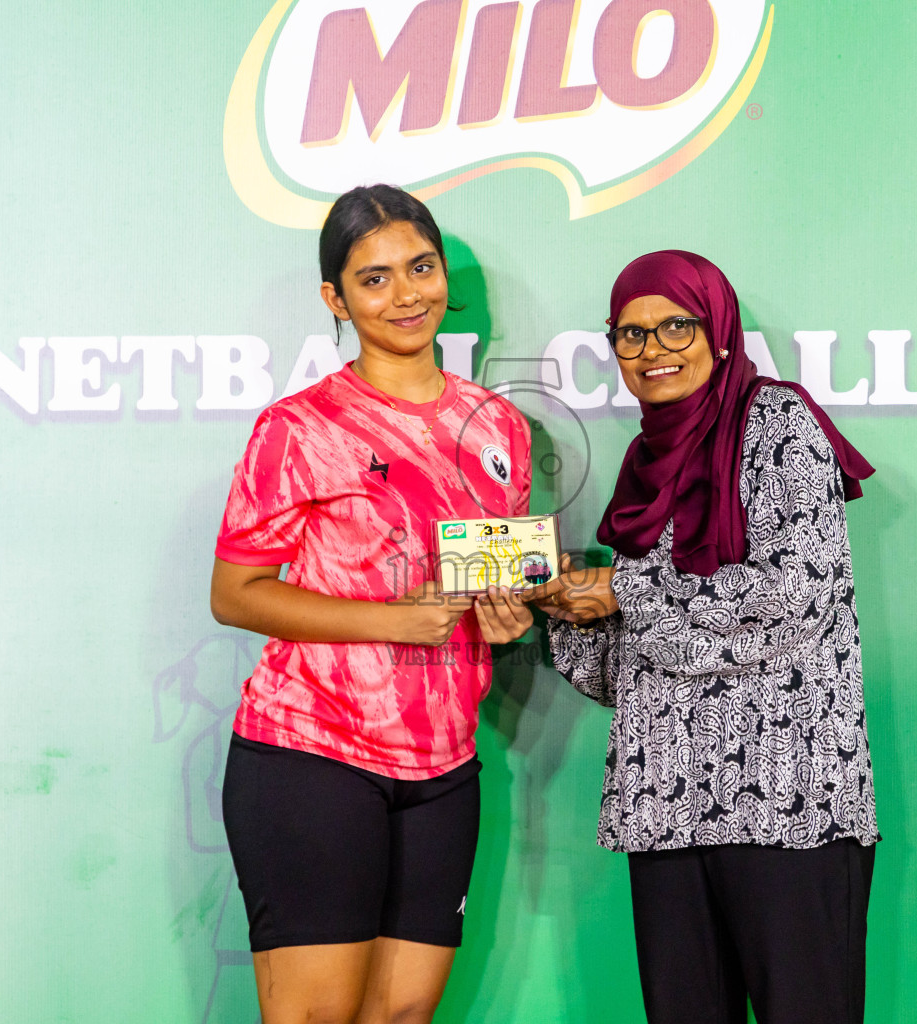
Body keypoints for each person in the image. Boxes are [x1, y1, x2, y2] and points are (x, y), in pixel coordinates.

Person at [209, 184, 534, 1024]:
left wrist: (508, 617)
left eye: (420, 268)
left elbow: (492, 581)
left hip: (443, 767)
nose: (407, 295)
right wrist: (392, 620)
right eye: (375, 278)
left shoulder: (498, 424)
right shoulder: (301, 427)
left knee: (400, 1018)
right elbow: (235, 594)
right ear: (337, 300)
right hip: (312, 755)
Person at [529, 250, 881, 1024]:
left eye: (674, 326)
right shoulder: (644, 463)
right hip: (666, 809)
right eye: (629, 335)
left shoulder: (778, 424)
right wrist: (557, 606)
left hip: (788, 807)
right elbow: (640, 666)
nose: (652, 350)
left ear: (719, 331)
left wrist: (620, 589)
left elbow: (796, 593)